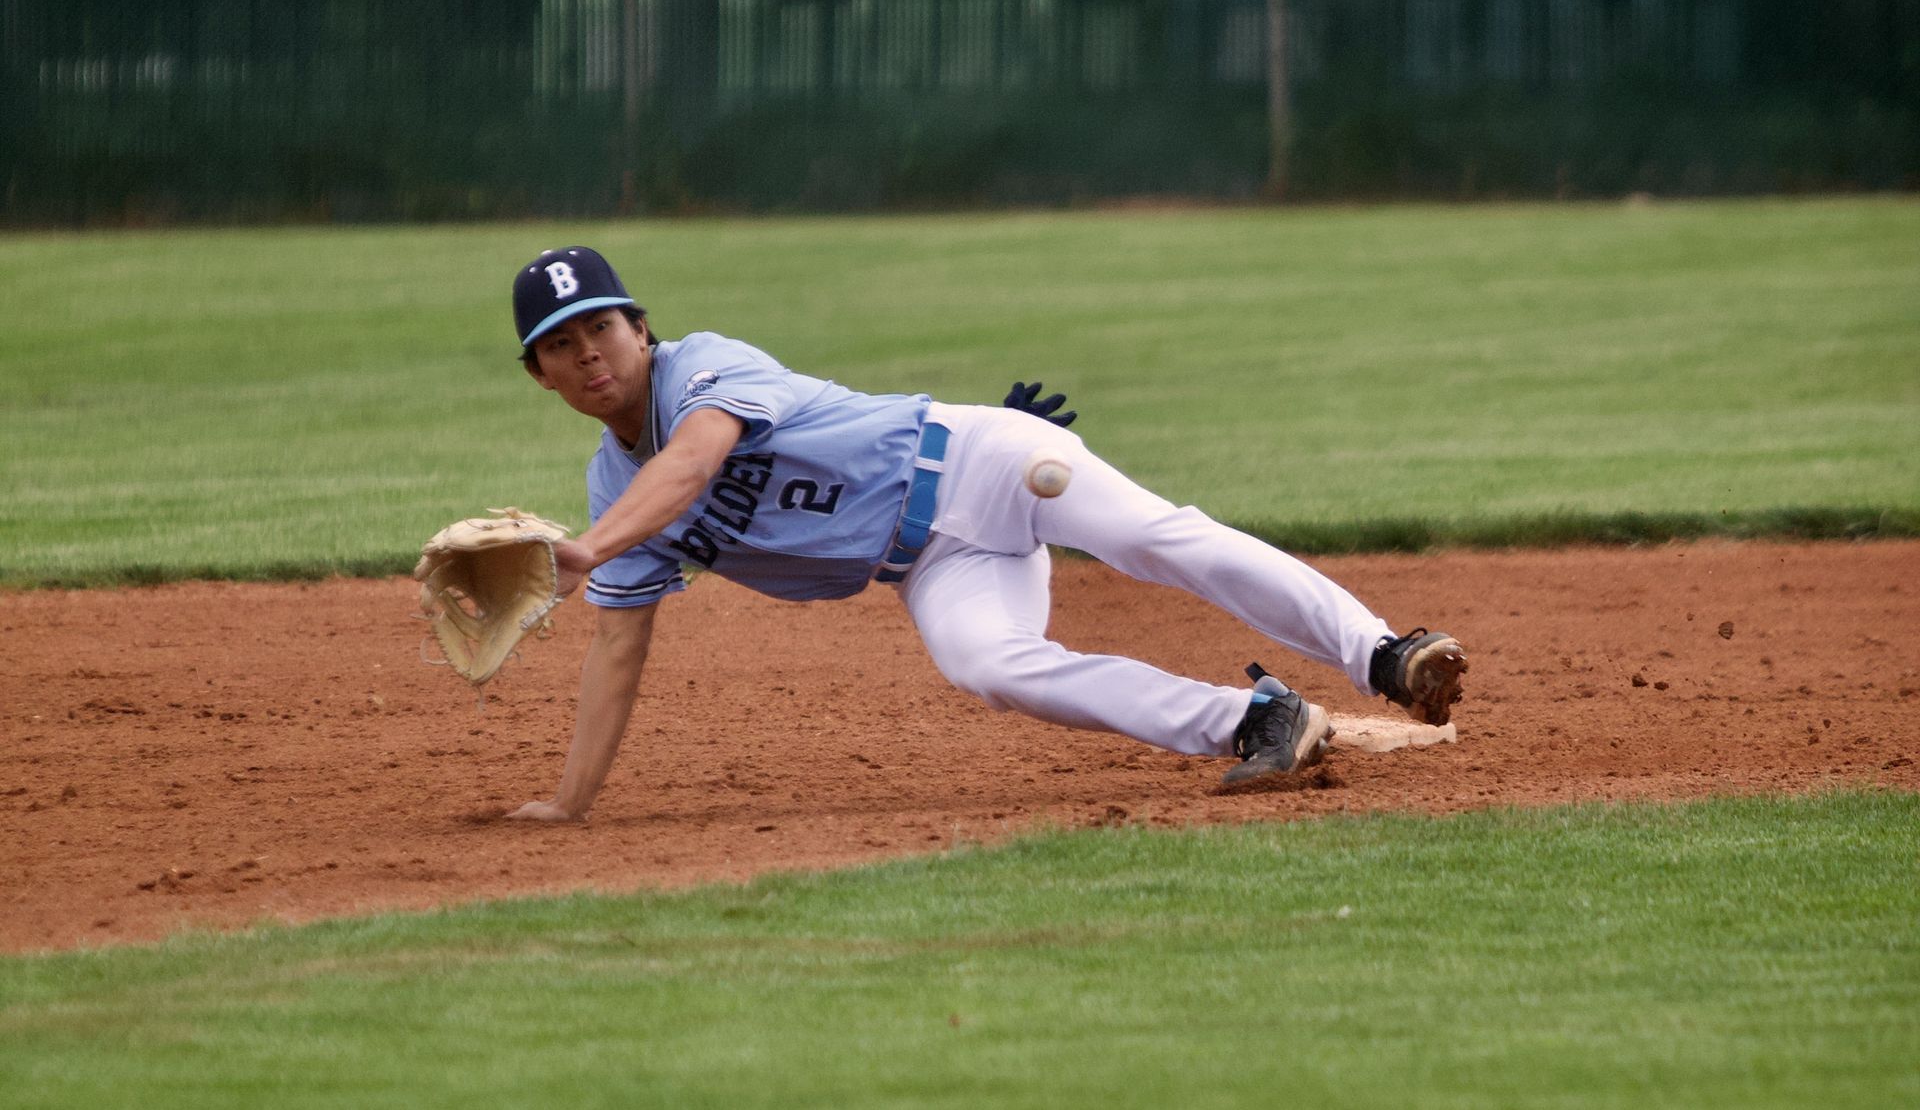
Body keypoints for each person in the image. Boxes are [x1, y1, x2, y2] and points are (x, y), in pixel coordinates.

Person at [503, 247, 1466, 822]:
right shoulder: (611, 492)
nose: (588, 353)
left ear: (640, 328)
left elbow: (695, 462)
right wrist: (570, 801)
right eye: (560, 344)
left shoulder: (701, 367)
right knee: (988, 663)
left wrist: (586, 550)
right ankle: (1258, 722)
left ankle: (1385, 653)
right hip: (928, 563)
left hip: (978, 459)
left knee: (1157, 540)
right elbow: (617, 645)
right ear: (541, 377)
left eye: (602, 329)